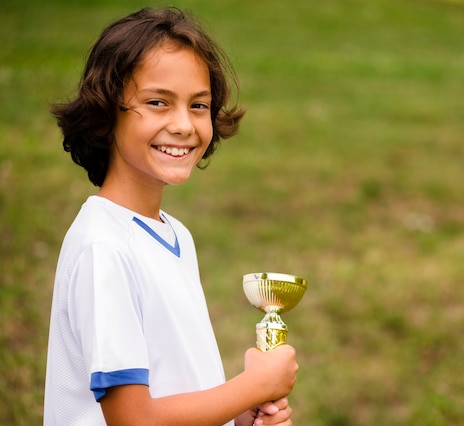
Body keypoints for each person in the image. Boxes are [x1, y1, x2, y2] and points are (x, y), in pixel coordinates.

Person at [44, 7, 298, 426]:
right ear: (107, 113)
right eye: (158, 102)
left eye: (199, 105)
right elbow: (134, 420)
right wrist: (254, 386)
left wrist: (237, 413)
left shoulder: (174, 234)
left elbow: (174, 386)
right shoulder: (104, 248)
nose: (183, 124)